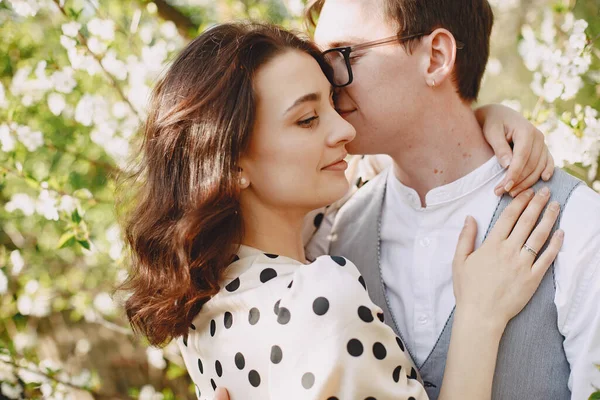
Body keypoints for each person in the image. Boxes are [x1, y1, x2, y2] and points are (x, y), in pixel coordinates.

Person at [117, 22, 566, 400]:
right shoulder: (321, 298)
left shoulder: (205, 303)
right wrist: (479, 317)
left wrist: (481, 119)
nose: (345, 128)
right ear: (231, 162)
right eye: (307, 120)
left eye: (333, 103)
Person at [295, 0, 598, 399]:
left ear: (436, 57)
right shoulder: (332, 236)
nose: (326, 81)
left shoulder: (578, 224)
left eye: (341, 55)